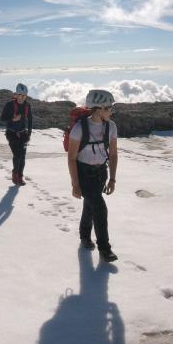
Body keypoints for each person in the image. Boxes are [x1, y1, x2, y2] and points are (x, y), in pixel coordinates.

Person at [67, 89, 118, 262]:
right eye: (109, 107)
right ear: (97, 109)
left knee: (91, 205)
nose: (111, 110)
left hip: (101, 174)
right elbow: (72, 158)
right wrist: (75, 184)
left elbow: (113, 154)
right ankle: (105, 249)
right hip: (84, 174)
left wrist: (112, 178)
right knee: (99, 208)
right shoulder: (80, 128)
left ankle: (84, 236)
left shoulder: (111, 126)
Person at [0, 83, 33, 186]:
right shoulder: (9, 105)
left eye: (24, 95)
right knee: (17, 154)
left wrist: (29, 134)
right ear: (16, 94)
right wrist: (12, 119)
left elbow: (30, 121)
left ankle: (20, 177)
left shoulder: (27, 106)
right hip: (11, 133)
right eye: (20, 95)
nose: (22, 98)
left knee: (22, 156)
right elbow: (2, 118)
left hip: (23, 133)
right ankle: (15, 174)